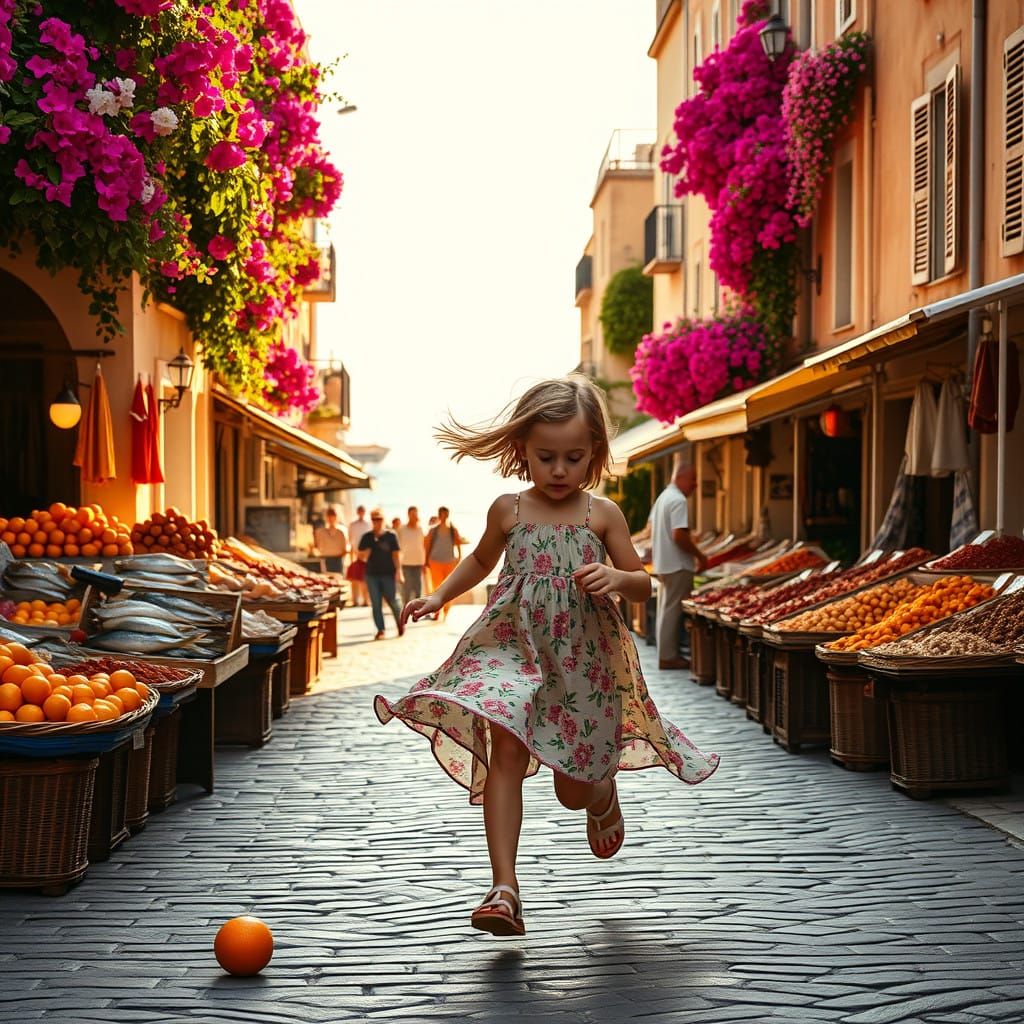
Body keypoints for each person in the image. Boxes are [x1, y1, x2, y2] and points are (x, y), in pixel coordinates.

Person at [374, 375, 719, 937]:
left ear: (594, 453)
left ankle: (600, 791)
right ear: (522, 450)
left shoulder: (602, 514)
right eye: (546, 457)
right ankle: (503, 888)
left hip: (583, 661)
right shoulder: (507, 510)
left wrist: (616, 577)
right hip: (514, 650)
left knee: (570, 790)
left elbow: (642, 583)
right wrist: (439, 596)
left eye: (573, 458)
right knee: (506, 754)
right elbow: (480, 561)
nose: (559, 470)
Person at [649, 458, 708, 670]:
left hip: (664, 563)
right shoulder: (678, 500)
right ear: (680, 477)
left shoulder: (663, 497)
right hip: (677, 564)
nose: (695, 484)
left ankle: (665, 654)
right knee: (672, 611)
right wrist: (700, 556)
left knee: (666, 609)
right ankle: (668, 656)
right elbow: (679, 535)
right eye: (693, 479)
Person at [358, 508, 404, 640]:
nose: (377, 522)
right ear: (371, 520)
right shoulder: (367, 537)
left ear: (384, 519)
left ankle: (400, 623)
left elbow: (396, 555)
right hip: (372, 575)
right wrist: (365, 554)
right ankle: (380, 630)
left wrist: (399, 572)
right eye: (374, 519)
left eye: (379, 519)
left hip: (388, 574)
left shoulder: (391, 536)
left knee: (393, 600)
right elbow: (360, 555)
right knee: (376, 603)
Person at [424, 505, 462, 621]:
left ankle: (446, 611)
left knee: (448, 589)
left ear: (447, 515)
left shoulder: (453, 530)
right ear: (439, 515)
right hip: (435, 562)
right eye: (441, 514)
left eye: (445, 514)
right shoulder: (433, 531)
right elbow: (427, 546)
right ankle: (436, 612)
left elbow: (458, 544)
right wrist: (426, 561)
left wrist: (459, 558)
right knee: (436, 589)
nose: (443, 516)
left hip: (449, 562)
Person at [397, 506, 427, 606]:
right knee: (406, 591)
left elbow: (423, 546)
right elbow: (397, 548)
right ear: (408, 515)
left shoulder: (420, 529)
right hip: (406, 564)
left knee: (418, 591)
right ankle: (405, 610)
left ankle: (417, 612)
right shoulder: (401, 529)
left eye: (416, 514)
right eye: (413, 514)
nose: (415, 516)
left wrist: (424, 563)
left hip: (418, 564)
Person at [346, 505, 371, 607]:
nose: (361, 513)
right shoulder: (352, 525)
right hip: (355, 554)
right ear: (357, 512)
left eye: (362, 511)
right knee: (354, 579)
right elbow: (350, 540)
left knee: (365, 580)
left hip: (366, 556)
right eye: (359, 511)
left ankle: (366, 600)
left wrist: (366, 555)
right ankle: (355, 600)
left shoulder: (368, 524)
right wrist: (352, 556)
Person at [313, 506, 348, 574]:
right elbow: (316, 547)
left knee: (338, 579)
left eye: (333, 516)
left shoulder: (340, 533)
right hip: (325, 560)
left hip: (337, 561)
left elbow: (344, 550)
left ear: (336, 518)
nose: (331, 519)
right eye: (329, 516)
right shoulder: (321, 532)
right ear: (326, 518)